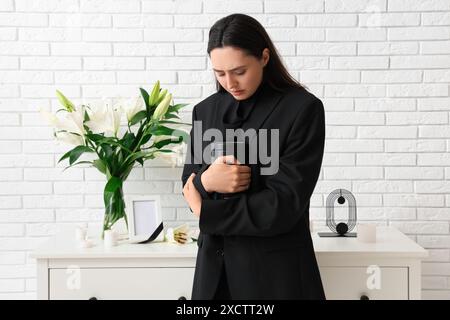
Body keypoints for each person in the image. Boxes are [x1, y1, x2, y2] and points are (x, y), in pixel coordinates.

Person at [181, 13, 326, 300]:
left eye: (239, 71)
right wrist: (207, 181)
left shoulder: (303, 109)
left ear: (264, 57)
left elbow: (283, 204)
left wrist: (205, 209)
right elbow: (189, 184)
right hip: (212, 275)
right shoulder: (204, 111)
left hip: (275, 277)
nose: (230, 83)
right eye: (219, 74)